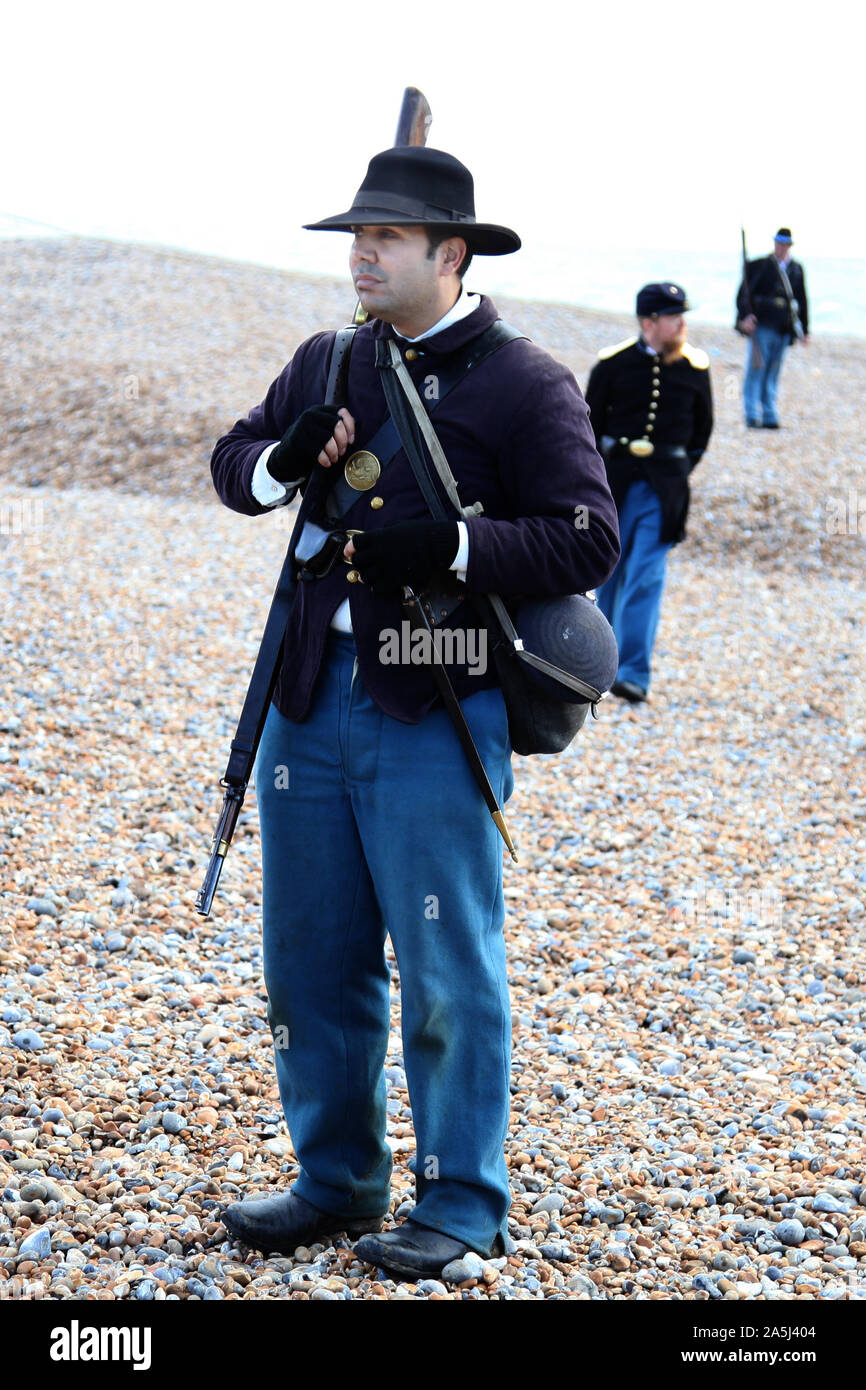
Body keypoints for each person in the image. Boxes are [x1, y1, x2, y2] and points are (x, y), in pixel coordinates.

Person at [209, 145, 620, 1279]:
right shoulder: (327, 358)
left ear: (451, 253)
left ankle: (462, 1200)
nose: (361, 254)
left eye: (385, 238)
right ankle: (336, 1176)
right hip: (304, 702)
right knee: (309, 957)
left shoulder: (523, 380)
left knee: (446, 964)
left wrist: (443, 542)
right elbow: (231, 460)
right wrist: (277, 460)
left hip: (437, 698)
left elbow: (588, 535)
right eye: (356, 236)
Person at [585, 283, 713, 703]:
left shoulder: (695, 368)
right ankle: (596, 668)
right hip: (614, 485)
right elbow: (589, 430)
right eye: (675, 317)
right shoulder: (612, 365)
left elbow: (700, 434)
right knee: (609, 576)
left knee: (646, 577)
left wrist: (673, 471)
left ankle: (634, 673)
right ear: (649, 322)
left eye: (682, 316)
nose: (683, 324)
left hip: (665, 490)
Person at [736, 227, 810, 428]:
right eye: (779, 243)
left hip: (784, 327)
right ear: (775, 243)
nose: (782, 247)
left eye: (785, 244)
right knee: (756, 369)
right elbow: (743, 294)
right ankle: (751, 413)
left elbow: (802, 299)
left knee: (773, 372)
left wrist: (805, 329)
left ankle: (769, 413)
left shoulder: (796, 268)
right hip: (762, 325)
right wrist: (743, 319)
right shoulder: (760, 265)